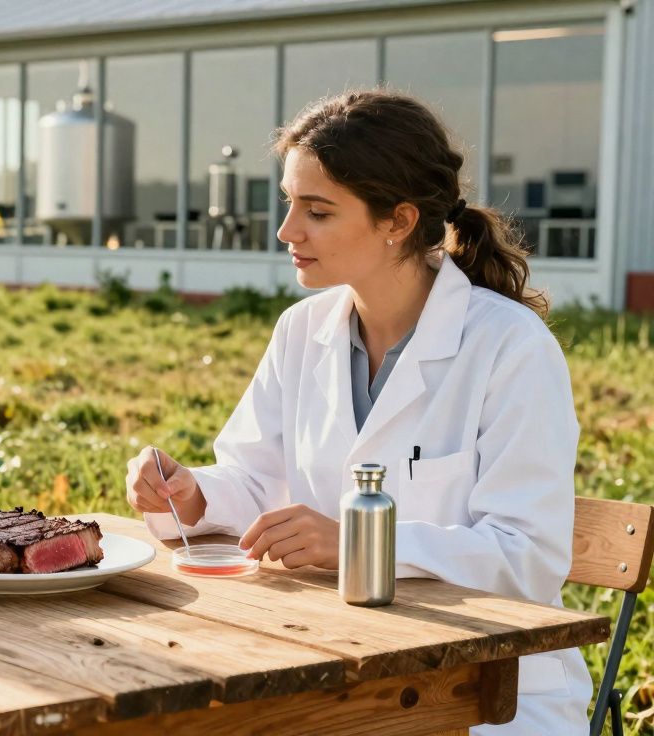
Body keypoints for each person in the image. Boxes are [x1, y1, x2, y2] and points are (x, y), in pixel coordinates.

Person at [125, 90, 588, 734]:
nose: (287, 231)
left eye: (316, 211)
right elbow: (258, 479)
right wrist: (194, 493)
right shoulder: (301, 330)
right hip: (335, 665)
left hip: (488, 691)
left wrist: (358, 546)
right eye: (289, 204)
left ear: (397, 220)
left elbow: (527, 557)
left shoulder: (510, 347)